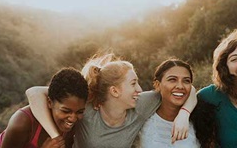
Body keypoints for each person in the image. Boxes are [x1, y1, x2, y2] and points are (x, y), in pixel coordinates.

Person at [26, 54, 197, 148]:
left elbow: (186, 90)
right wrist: (56, 138)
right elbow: (34, 93)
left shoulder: (141, 104)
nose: (139, 89)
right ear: (114, 91)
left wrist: (184, 113)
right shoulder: (86, 108)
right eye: (133, 83)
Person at [0, 67, 88, 148]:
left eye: (80, 112)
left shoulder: (72, 125)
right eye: (66, 111)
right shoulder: (22, 123)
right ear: (49, 102)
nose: (73, 118)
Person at [137, 58, 218, 148]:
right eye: (172, 80)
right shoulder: (142, 119)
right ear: (157, 85)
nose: (180, 86)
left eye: (186, 81)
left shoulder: (201, 121)